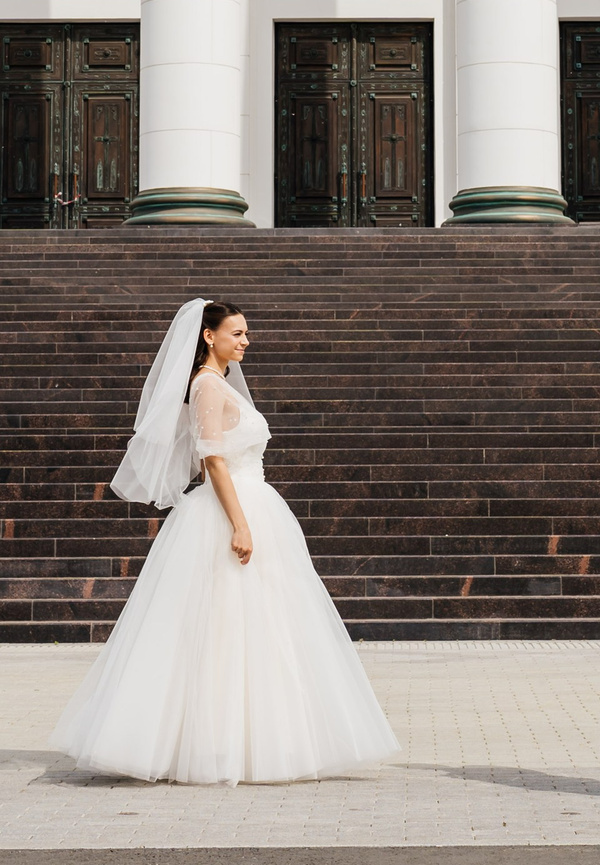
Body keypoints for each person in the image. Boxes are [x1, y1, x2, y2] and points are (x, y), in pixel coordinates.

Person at [51, 299, 400, 784]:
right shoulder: (207, 386)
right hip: (232, 506)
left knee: (259, 623)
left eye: (246, 332)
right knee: (224, 626)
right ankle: (217, 743)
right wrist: (238, 523)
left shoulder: (218, 384)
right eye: (237, 333)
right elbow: (212, 461)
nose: (245, 341)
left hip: (253, 500)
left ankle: (256, 739)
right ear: (209, 336)